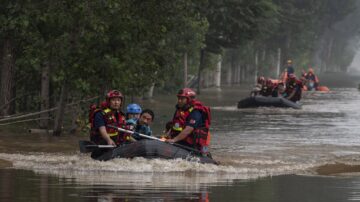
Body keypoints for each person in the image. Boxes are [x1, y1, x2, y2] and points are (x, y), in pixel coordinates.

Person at [165, 88, 211, 155]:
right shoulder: (179, 110)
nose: (179, 101)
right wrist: (168, 136)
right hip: (180, 141)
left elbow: (188, 129)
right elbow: (174, 125)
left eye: (182, 99)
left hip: (192, 146)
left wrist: (174, 140)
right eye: (178, 98)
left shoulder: (196, 112)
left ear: (188, 100)